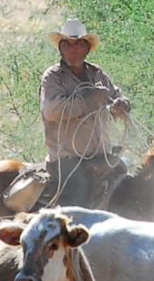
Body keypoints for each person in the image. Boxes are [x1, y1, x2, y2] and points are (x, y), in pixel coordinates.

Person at [39, 18, 131, 208]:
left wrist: (122, 105)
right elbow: (51, 111)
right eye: (68, 44)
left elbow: (116, 95)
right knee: (78, 196)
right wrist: (89, 98)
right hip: (66, 158)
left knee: (127, 181)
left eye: (79, 44)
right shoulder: (53, 77)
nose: (73, 49)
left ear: (87, 48)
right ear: (61, 48)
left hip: (101, 153)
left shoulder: (97, 74)